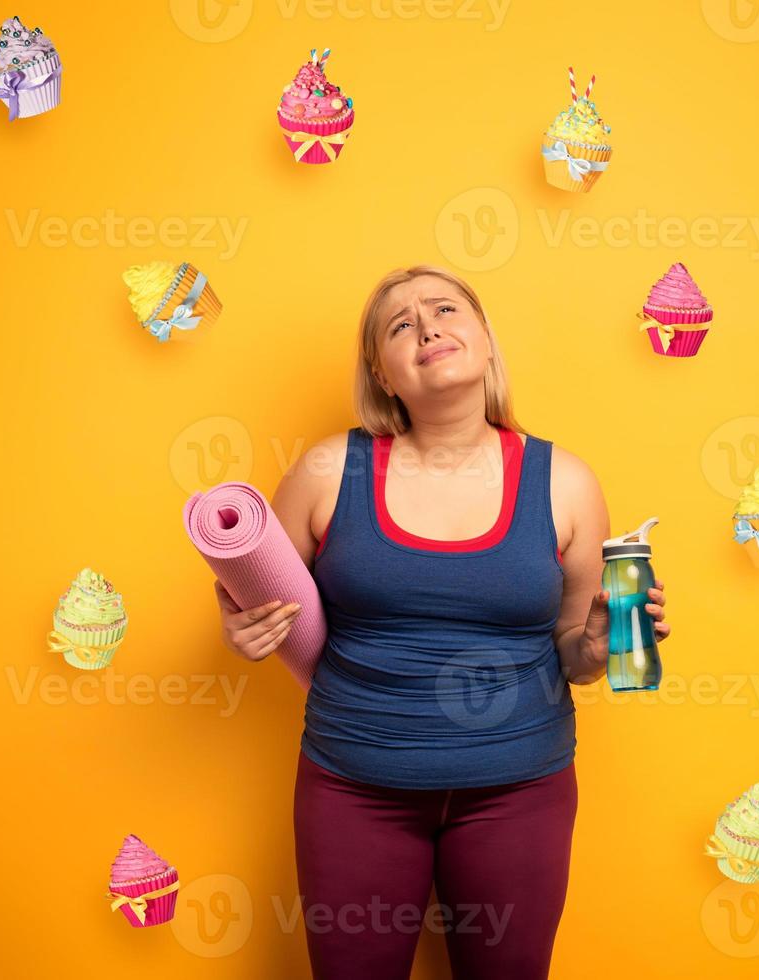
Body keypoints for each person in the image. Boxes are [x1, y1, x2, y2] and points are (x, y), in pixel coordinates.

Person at [214, 265, 670, 979]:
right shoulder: (329, 470)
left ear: (485, 341)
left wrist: (593, 641)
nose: (426, 326)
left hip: (519, 792)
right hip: (352, 789)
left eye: (445, 309)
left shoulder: (566, 482)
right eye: (400, 325)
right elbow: (258, 592)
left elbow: (578, 659)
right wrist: (239, 628)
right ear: (383, 375)